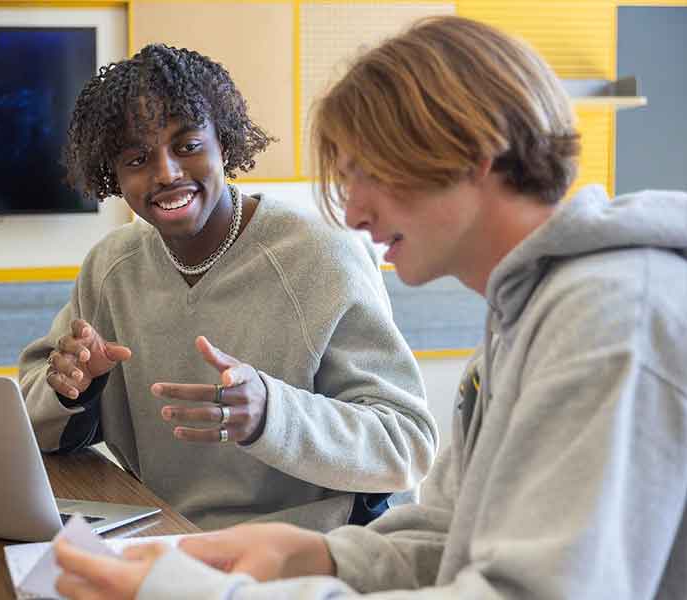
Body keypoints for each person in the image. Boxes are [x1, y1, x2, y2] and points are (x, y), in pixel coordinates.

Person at [50, 16, 687, 600]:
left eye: (367, 173)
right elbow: (449, 538)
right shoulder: (529, 312)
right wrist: (321, 557)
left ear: (471, 149)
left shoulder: (611, 320)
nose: (352, 212)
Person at [19, 44, 438, 533]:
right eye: (137, 158)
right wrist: (74, 391)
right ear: (114, 175)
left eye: (188, 146)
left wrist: (270, 414)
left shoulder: (322, 257)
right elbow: (35, 421)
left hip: (311, 549)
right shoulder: (111, 267)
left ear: (225, 143)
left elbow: (406, 444)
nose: (167, 173)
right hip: (165, 537)